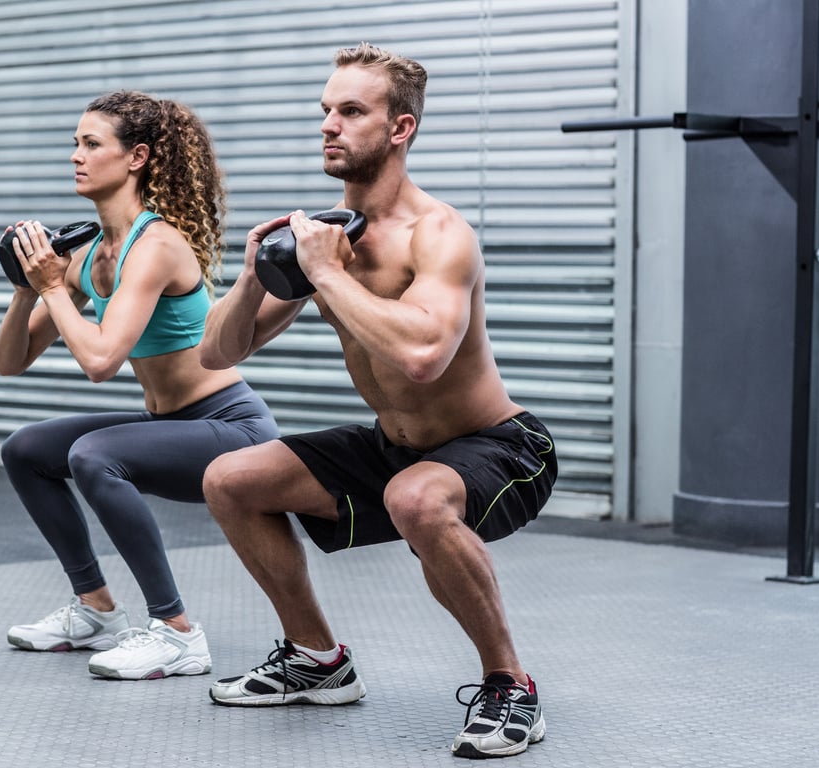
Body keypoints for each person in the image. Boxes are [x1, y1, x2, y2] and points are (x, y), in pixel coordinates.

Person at [198, 43, 557, 758]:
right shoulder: (329, 241)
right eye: (325, 111)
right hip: (396, 447)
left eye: (351, 111)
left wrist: (327, 277)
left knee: (417, 499)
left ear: (401, 128)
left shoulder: (439, 233)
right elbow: (219, 353)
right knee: (231, 480)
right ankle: (317, 659)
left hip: (502, 447)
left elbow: (424, 357)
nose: (329, 125)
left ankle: (510, 685)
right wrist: (249, 277)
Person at [0, 90, 279, 681]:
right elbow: (12, 361)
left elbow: (100, 362)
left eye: (91, 144)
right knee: (26, 448)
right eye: (75, 143)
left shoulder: (157, 246)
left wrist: (51, 288)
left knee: (94, 456)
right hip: (172, 425)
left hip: (229, 428)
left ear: (137, 157)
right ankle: (97, 609)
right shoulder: (89, 254)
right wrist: (28, 288)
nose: (75, 156)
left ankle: (177, 633)